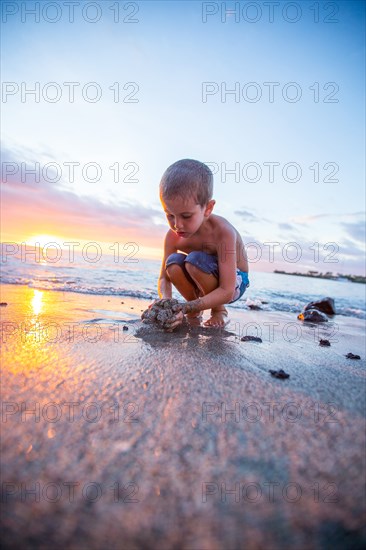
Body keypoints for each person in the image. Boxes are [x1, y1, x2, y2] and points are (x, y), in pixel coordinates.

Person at [155, 159, 249, 330]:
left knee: (194, 261)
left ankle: (219, 310)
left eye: (186, 216)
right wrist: (165, 301)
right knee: (173, 263)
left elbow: (227, 289)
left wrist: (183, 307)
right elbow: (164, 278)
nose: (177, 225)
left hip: (235, 281)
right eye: (170, 215)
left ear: (208, 209)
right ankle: (194, 311)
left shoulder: (223, 232)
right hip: (201, 270)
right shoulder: (173, 236)